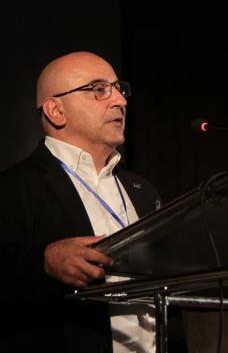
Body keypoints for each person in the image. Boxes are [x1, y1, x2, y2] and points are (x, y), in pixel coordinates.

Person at [0, 51, 161, 353]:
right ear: (56, 110)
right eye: (99, 89)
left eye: (118, 89)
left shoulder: (142, 189)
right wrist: (43, 263)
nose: (120, 101)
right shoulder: (12, 189)